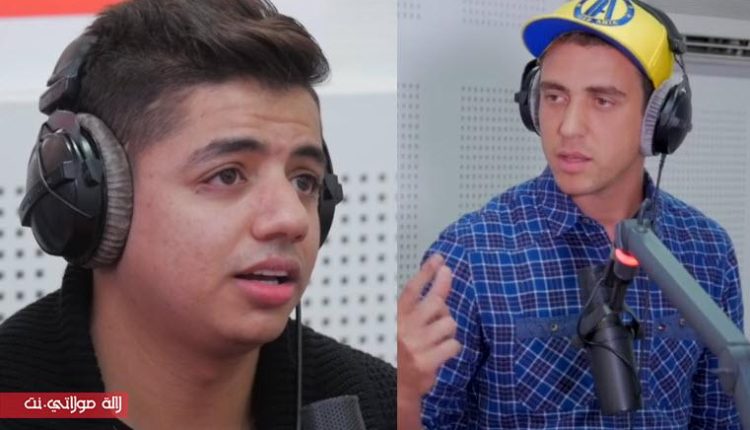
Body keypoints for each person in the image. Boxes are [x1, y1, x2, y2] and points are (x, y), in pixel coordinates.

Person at [0, 0, 402, 428]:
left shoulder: (377, 407)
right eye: (227, 175)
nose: (292, 219)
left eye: (304, 181)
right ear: (96, 200)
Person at [420, 0, 744, 428]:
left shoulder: (707, 250)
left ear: (660, 120)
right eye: (555, 97)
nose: (569, 126)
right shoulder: (468, 255)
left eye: (602, 101)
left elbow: (718, 419)